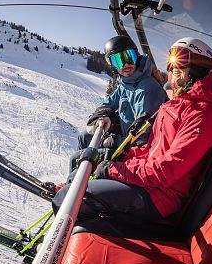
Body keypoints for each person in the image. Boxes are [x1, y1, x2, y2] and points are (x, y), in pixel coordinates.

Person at [53, 37, 212, 223]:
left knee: (71, 197)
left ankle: (56, 246)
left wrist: (115, 169)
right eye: (172, 68)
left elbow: (167, 170)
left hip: (160, 197)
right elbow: (151, 149)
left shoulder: (202, 113)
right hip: (147, 184)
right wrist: (119, 158)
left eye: (180, 69)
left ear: (199, 70)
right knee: (81, 175)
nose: (173, 75)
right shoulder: (177, 106)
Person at [69, 35, 168, 173]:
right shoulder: (127, 82)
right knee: (84, 136)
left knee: (76, 158)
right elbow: (109, 102)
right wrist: (102, 114)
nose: (126, 64)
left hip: (136, 150)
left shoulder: (146, 88)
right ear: (113, 66)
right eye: (118, 61)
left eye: (129, 56)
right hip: (125, 138)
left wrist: (113, 141)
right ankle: (79, 179)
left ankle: (78, 187)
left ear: (137, 56)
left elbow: (144, 140)